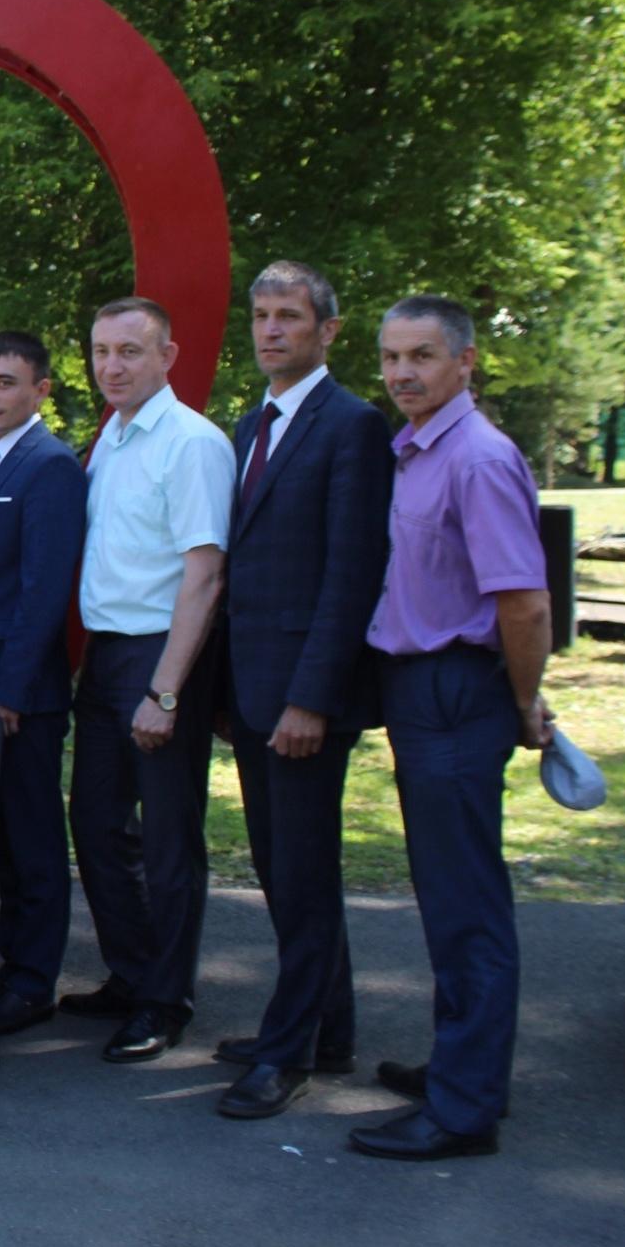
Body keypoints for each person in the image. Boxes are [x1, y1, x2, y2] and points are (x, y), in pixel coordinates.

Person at [350, 295, 553, 1163]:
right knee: (445, 893)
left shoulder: (478, 458)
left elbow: (526, 602)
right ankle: (463, 1068)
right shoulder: (418, 448)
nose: (402, 372)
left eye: (422, 355)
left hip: (459, 690)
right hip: (420, 687)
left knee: (466, 902)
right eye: (392, 356)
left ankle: (464, 1111)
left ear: (465, 360)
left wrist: (524, 699)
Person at [214, 263, 393, 1121]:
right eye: (260, 315)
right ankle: (329, 1029)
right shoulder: (252, 423)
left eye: (289, 315)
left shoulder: (353, 425)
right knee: (281, 868)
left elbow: (351, 574)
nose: (271, 329)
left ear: (328, 329)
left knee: (304, 873)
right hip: (254, 689)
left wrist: (312, 699)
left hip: (303, 699)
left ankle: (285, 1052)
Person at [67, 297, 235, 1065]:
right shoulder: (111, 436)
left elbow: (205, 574)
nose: (112, 365)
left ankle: (166, 1000)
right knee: (97, 825)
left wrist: (166, 690)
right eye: (102, 351)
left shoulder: (191, 443)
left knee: (169, 838)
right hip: (107, 654)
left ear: (167, 356)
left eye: (130, 350)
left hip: (163, 656)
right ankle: (132, 974)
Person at [0, 330, 86, 1037]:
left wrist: (8, 690)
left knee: (32, 841)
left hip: (19, 694)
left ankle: (33, 982)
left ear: (41, 390)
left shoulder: (51, 466)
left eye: (4, 382)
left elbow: (43, 593)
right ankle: (12, 967)